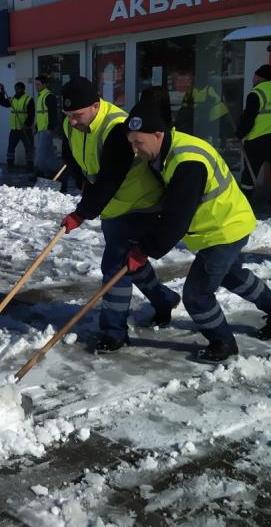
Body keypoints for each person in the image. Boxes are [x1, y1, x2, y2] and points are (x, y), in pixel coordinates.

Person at [123, 95, 271, 362]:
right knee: (229, 275)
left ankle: (223, 342)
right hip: (221, 225)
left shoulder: (187, 162)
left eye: (139, 143)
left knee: (196, 295)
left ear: (158, 135)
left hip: (224, 228)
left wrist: (145, 249)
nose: (136, 150)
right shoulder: (168, 150)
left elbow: (177, 216)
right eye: (131, 143)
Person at [57, 78, 179, 353]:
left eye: (77, 115)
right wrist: (82, 182)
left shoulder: (116, 128)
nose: (72, 122)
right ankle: (164, 299)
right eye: (68, 116)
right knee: (130, 262)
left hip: (140, 203)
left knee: (114, 267)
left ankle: (114, 332)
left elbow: (111, 178)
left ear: (96, 105)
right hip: (112, 206)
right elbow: (70, 154)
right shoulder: (70, 124)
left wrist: (82, 213)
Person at [236, 64, 271, 206]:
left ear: (259, 77)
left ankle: (244, 199)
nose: (253, 79)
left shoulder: (256, 93)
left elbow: (248, 118)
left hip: (258, 139)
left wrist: (239, 134)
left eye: (255, 76)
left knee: (250, 169)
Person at [0, 82, 35, 174]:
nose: (16, 91)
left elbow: (31, 114)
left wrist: (26, 124)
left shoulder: (28, 99)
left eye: (18, 89)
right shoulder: (13, 99)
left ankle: (29, 166)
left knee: (29, 148)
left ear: (23, 89)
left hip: (25, 129)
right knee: (11, 148)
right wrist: (2, 92)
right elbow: (2, 102)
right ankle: (10, 165)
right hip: (14, 129)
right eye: (15, 89)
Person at [33, 75, 60, 181]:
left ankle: (41, 173)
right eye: (36, 84)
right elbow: (40, 115)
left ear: (44, 84)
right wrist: (36, 126)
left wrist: (50, 127)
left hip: (46, 130)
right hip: (42, 129)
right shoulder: (40, 96)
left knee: (41, 153)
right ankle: (51, 172)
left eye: (38, 84)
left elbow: (53, 113)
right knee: (48, 153)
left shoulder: (48, 96)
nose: (36, 86)